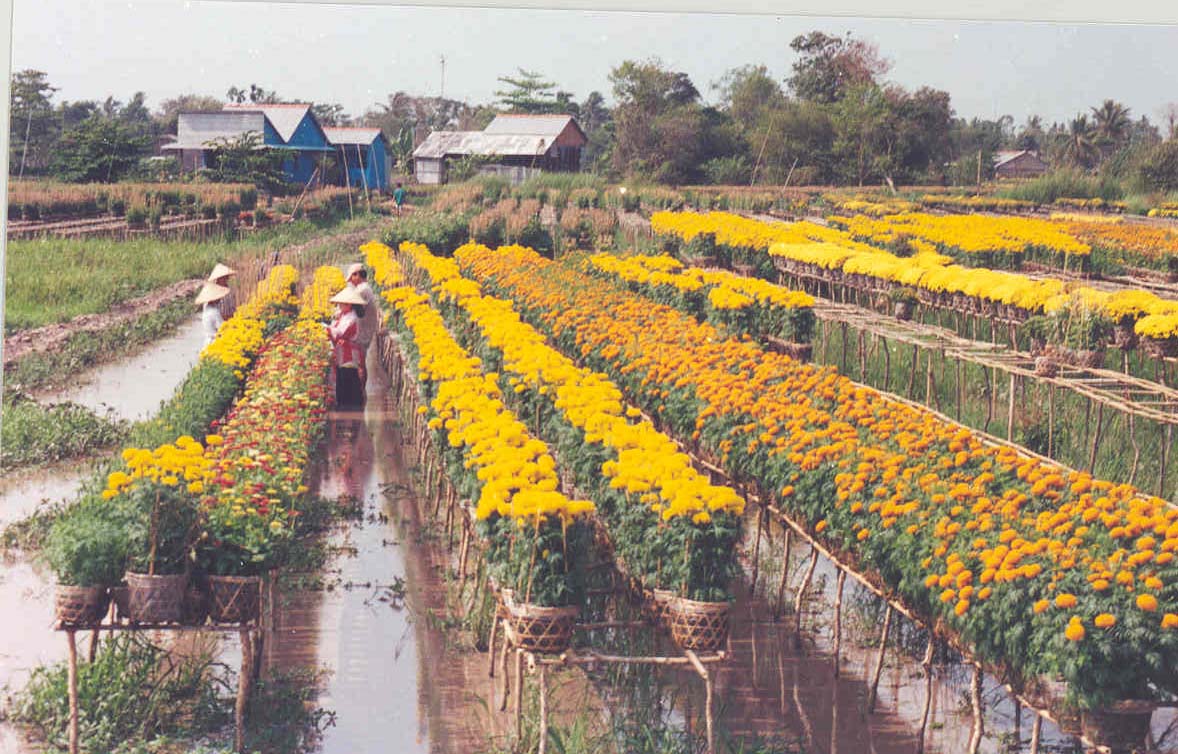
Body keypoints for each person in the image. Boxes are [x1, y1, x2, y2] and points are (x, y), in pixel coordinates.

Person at [326, 287, 368, 409]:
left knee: (349, 378)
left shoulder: (351, 318)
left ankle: (351, 408)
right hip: (343, 352)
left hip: (349, 353)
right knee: (343, 377)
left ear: (348, 304)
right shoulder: (344, 315)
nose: (339, 305)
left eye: (341, 303)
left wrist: (327, 330)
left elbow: (340, 333)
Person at [346, 263, 380, 386]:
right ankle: (361, 389)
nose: (350, 280)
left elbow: (358, 311)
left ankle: (361, 389)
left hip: (363, 331)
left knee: (360, 361)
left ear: (358, 275)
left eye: (352, 277)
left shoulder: (362, 289)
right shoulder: (365, 288)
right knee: (361, 360)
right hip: (366, 330)